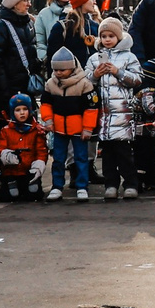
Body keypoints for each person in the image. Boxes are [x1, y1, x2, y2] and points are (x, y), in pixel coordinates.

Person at [90, 18, 144, 199]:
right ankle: (110, 184)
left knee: (125, 153)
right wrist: (95, 75)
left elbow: (137, 79)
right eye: (103, 36)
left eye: (111, 36)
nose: (107, 39)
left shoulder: (129, 57)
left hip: (122, 115)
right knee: (107, 154)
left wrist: (118, 72)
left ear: (119, 37)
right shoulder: (94, 58)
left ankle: (130, 183)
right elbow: (85, 81)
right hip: (104, 116)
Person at [43, 49, 97, 201]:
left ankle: (82, 186)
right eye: (55, 70)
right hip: (59, 130)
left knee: (81, 159)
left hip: (79, 131)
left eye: (62, 69)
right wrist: (48, 121)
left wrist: (87, 128)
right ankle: (57, 186)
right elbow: (46, 105)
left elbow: (91, 109)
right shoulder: (50, 84)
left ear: (72, 68)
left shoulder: (85, 84)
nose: (58, 73)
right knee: (58, 159)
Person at [0, 93, 48, 203]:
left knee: (34, 195)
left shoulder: (36, 131)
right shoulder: (5, 130)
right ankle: (9, 183)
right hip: (11, 171)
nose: (22, 113)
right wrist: (6, 155)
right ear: (12, 112)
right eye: (18, 110)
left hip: (29, 171)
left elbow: (41, 150)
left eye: (25, 109)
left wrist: (38, 164)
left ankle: (32, 183)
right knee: (8, 196)